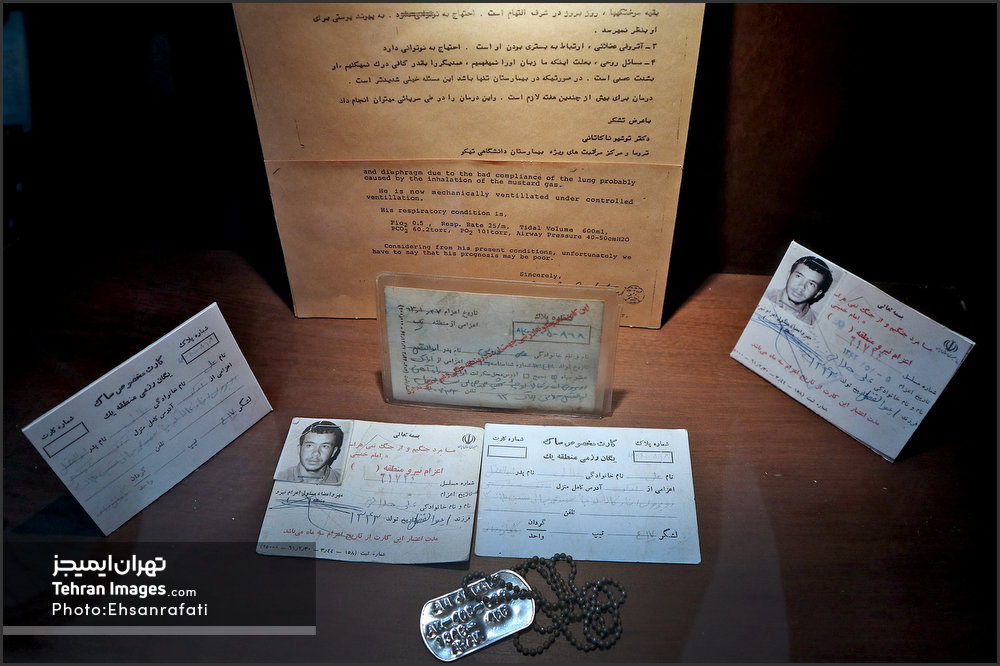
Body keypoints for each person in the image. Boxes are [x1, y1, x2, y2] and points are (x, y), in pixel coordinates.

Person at [764, 255, 833, 325]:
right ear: (789, 275)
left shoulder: (815, 325)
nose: (801, 287)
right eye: (798, 276)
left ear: (818, 293)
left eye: (811, 284)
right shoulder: (764, 295)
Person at [278, 420, 345, 484]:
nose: (316, 453)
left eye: (325, 446)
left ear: (334, 452)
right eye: (309, 445)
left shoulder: (343, 480)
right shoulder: (280, 476)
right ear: (299, 448)